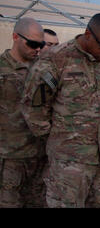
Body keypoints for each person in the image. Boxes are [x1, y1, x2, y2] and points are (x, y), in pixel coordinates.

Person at [21, 13, 100, 207]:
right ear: (88, 34)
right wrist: (60, 141)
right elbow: (34, 109)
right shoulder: (55, 60)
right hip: (70, 162)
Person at [0, 17, 46, 208]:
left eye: (41, 44)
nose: (37, 49)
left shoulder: (42, 70)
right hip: (9, 157)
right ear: (15, 37)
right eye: (33, 43)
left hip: (39, 156)